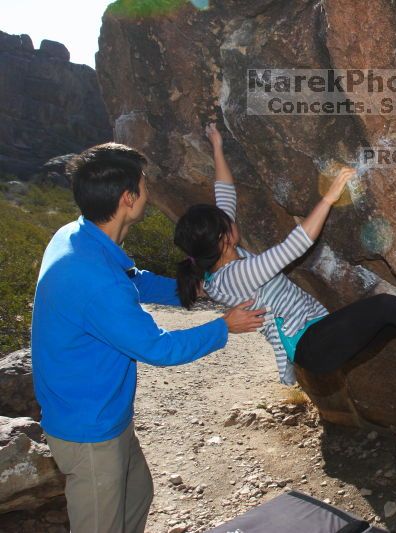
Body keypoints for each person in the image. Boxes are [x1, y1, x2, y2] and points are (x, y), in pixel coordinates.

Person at [174, 123, 396, 416]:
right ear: (222, 239)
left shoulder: (220, 261)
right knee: (386, 307)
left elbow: (225, 195)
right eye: (225, 224)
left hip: (320, 335)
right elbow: (294, 247)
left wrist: (217, 144)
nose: (230, 219)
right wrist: (330, 195)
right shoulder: (237, 275)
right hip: (312, 345)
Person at [31, 143, 266, 533]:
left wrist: (192, 290)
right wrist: (225, 325)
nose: (148, 191)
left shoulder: (79, 237)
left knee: (137, 494)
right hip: (88, 430)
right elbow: (158, 348)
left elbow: (131, 280)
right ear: (128, 198)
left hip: (102, 413)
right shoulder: (92, 279)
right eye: (144, 184)